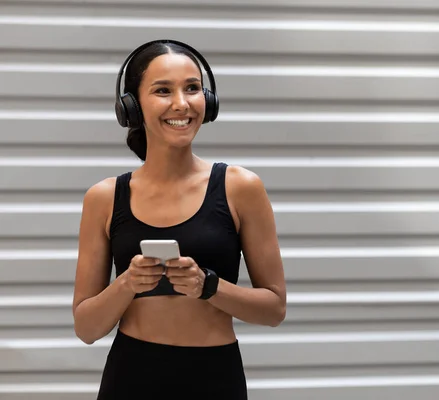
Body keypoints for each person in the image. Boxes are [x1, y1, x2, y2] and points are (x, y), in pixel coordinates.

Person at [71, 39, 286, 399]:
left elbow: (274, 309)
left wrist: (209, 286)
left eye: (192, 88)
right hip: (131, 376)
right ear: (132, 107)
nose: (181, 104)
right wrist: (128, 284)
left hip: (215, 378)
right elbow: (86, 328)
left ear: (209, 100)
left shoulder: (240, 187)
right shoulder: (104, 198)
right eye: (162, 90)